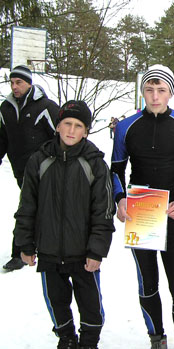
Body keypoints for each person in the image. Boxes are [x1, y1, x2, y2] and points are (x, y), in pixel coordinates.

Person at [111, 64, 174, 349]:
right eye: (149, 90)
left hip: (170, 214)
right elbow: (116, 169)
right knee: (147, 283)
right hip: (139, 214)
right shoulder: (127, 126)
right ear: (142, 92)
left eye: (161, 90)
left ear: (170, 93)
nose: (154, 96)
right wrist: (119, 199)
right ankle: (156, 337)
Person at [13, 100, 115, 349]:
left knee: (90, 304)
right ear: (57, 126)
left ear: (86, 131)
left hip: (82, 253)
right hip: (48, 249)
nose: (71, 130)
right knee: (56, 301)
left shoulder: (94, 163)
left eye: (78, 125)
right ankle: (67, 338)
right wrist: (24, 244)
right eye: (67, 124)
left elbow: (103, 211)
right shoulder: (39, 161)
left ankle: (89, 342)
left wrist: (96, 250)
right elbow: (27, 206)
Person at [0, 65, 59, 271]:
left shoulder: (45, 106)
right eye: (12, 83)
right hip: (20, 169)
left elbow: (60, 136)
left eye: (19, 83)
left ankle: (21, 253)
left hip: (45, 169)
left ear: (29, 83)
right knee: (33, 208)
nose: (15, 87)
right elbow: (2, 138)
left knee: (28, 208)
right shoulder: (5, 109)